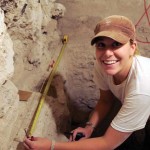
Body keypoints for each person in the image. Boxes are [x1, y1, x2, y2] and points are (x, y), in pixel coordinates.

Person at [23, 15, 150, 150]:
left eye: (116, 44)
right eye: (101, 45)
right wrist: (89, 127)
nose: (107, 53)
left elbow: (108, 144)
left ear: (132, 47)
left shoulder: (142, 87)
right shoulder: (103, 65)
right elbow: (106, 100)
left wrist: (52, 145)